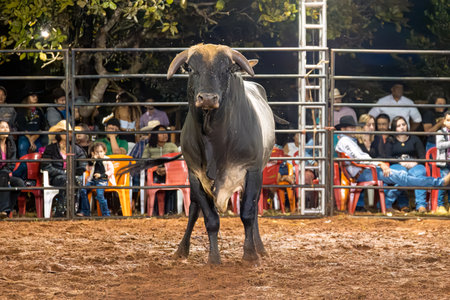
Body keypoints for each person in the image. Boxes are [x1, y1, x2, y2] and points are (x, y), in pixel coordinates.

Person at [334, 115, 450, 214]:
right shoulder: (345, 141)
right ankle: (439, 182)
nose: (354, 129)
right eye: (351, 127)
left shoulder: (347, 140)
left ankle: (388, 203)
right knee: (403, 177)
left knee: (404, 177)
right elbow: (359, 159)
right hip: (365, 172)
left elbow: (360, 159)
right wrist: (380, 163)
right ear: (344, 128)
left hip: (367, 170)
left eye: (354, 126)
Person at [41, 120, 87, 217]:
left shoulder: (77, 149)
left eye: (69, 132)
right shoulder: (51, 149)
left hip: (73, 176)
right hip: (57, 176)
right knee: (66, 180)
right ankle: (62, 211)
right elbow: (46, 166)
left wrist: (72, 173)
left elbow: (82, 165)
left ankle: (71, 210)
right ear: (59, 134)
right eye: (64, 132)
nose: (68, 134)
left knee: (75, 180)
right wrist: (63, 173)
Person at [386, 116, 426, 212]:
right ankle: (390, 204)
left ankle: (421, 206)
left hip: (414, 165)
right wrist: (400, 162)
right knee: (401, 175)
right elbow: (387, 157)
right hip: (397, 164)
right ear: (394, 128)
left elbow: (423, 157)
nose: (402, 127)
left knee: (420, 174)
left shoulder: (415, 139)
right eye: (398, 126)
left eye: (403, 124)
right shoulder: (390, 140)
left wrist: (415, 162)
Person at [142, 124, 178, 215]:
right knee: (154, 180)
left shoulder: (172, 146)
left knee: (172, 182)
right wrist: (155, 168)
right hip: (154, 172)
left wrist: (167, 170)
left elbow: (178, 162)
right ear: (155, 135)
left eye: (166, 133)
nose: (165, 135)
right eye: (161, 133)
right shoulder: (149, 147)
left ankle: (170, 211)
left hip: (170, 172)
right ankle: (155, 211)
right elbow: (144, 161)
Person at [78, 142, 115, 217]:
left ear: (104, 151)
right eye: (97, 152)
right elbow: (88, 168)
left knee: (99, 194)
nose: (99, 154)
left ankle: (106, 214)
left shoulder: (107, 159)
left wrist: (101, 175)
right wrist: (92, 160)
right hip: (92, 180)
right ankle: (86, 211)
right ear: (93, 153)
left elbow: (111, 170)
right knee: (83, 190)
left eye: (101, 151)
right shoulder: (93, 160)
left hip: (103, 180)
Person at [0, 120, 25, 218]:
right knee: (3, 177)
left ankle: (7, 210)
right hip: (2, 173)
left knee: (19, 183)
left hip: (5, 172)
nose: (5, 129)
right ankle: (3, 210)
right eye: (2, 127)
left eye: (6, 127)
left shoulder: (11, 143)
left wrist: (7, 170)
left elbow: (12, 162)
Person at [434, 110, 450, 214]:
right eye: (448, 120)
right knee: (444, 183)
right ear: (444, 121)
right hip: (445, 163)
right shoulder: (441, 132)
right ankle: (440, 205)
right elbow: (439, 145)